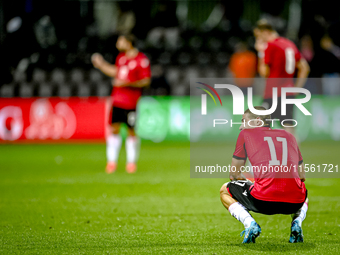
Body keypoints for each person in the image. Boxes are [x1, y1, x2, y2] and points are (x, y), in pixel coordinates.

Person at [220, 106, 308, 243]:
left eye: (244, 121)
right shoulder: (290, 136)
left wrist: (254, 183)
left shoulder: (246, 134)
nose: (240, 127)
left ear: (258, 121)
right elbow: (301, 176)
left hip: (263, 200)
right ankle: (297, 223)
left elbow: (234, 175)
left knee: (225, 190)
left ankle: (250, 224)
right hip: (294, 203)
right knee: (302, 189)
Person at [91, 34, 151, 173]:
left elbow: (146, 81)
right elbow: (116, 72)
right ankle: (111, 162)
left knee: (131, 131)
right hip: (117, 100)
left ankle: (131, 163)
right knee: (114, 129)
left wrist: (128, 83)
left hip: (131, 102)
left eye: (121, 41)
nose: (118, 43)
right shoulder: (121, 58)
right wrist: (101, 65)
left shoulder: (141, 60)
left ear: (129, 43)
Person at [254, 19, 310, 137]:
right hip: (288, 91)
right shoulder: (289, 44)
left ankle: (264, 154)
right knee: (288, 124)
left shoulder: (270, 46)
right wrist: (297, 88)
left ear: (265, 32)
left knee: (257, 123)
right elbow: (304, 68)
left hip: (273, 92)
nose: (258, 40)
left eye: (258, 36)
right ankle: (294, 155)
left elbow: (264, 73)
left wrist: (260, 53)